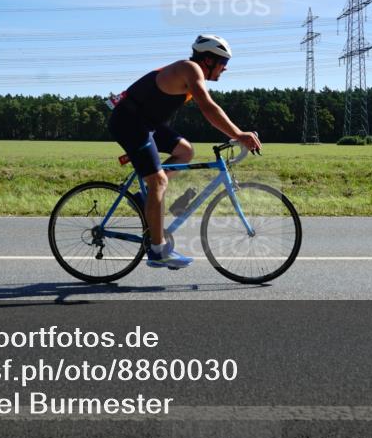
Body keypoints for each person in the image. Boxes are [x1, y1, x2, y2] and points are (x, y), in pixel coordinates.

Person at [107, 35, 262, 269]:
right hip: (129, 122)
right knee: (158, 180)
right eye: (223, 62)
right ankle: (158, 251)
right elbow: (208, 107)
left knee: (186, 151)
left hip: (146, 123)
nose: (226, 68)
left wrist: (236, 134)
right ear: (208, 60)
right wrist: (239, 134)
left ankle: (146, 197)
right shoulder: (190, 69)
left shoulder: (190, 71)